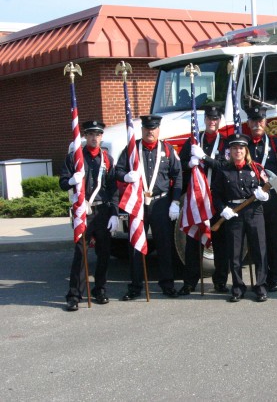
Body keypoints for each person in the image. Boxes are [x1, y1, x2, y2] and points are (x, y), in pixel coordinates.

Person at [116, 114, 183, 300]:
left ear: (158, 130)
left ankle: (167, 284)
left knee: (164, 245)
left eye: (153, 129)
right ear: (142, 130)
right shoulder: (132, 149)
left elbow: (177, 175)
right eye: (146, 129)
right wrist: (125, 177)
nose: (150, 132)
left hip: (161, 203)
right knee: (136, 246)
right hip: (138, 204)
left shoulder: (168, 150)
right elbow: (117, 170)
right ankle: (135, 286)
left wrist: (175, 201)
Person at [59, 120, 118, 311]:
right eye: (91, 134)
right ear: (84, 136)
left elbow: (113, 188)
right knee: (80, 254)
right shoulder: (74, 158)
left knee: (104, 253)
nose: (94, 138)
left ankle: (100, 289)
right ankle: (75, 295)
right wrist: (71, 180)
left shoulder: (107, 159)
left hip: (102, 211)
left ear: (102, 137)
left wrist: (114, 212)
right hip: (83, 211)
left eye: (98, 134)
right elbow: (62, 183)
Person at [177, 105, 230, 295]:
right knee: (193, 242)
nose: (212, 122)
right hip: (197, 200)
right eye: (209, 118)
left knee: (220, 243)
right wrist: (188, 163)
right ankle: (190, 282)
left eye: (215, 118)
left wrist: (205, 158)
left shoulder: (225, 143)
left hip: (217, 198)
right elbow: (179, 166)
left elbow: (225, 166)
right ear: (205, 119)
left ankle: (220, 281)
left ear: (220, 120)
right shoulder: (193, 141)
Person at [211, 133, 270, 303]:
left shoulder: (256, 169)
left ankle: (260, 287)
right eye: (235, 148)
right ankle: (237, 287)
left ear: (246, 150)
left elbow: (269, 188)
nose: (238, 151)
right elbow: (216, 195)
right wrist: (223, 209)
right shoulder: (223, 171)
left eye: (241, 148)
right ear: (229, 151)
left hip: (254, 212)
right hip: (234, 214)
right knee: (234, 254)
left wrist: (264, 196)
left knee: (259, 251)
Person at [246, 106, 277, 292]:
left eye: (260, 121)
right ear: (248, 123)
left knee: (274, 241)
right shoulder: (245, 145)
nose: (257, 124)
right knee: (257, 243)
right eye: (254, 121)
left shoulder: (275, 143)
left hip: (273, 201)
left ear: (265, 122)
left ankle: (275, 278)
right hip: (253, 201)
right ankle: (261, 279)